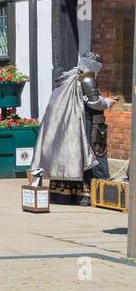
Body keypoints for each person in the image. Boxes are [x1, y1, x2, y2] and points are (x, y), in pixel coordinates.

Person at [32, 51, 113, 189]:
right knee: (88, 156)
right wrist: (107, 102)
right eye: (98, 66)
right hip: (87, 124)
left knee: (71, 156)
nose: (99, 69)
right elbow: (94, 102)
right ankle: (89, 193)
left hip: (71, 125)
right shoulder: (87, 78)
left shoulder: (69, 77)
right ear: (93, 65)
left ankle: (64, 195)